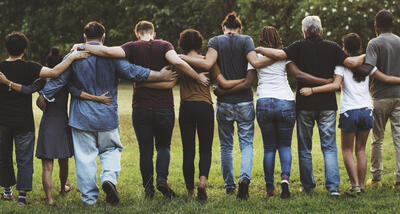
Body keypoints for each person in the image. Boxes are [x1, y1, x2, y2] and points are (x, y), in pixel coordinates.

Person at [40, 21, 176, 205]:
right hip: (107, 115)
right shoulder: (112, 57)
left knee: (85, 157)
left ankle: (89, 198)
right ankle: (109, 179)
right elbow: (133, 72)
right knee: (111, 150)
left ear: (84, 37)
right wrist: (160, 75)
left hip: (81, 117)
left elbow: (58, 79)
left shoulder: (74, 55)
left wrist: (44, 94)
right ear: (104, 37)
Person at [75, 20, 209, 199]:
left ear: (137, 34)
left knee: (145, 149)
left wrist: (82, 45)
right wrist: (198, 77)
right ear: (153, 33)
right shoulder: (164, 45)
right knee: (163, 147)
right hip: (164, 107)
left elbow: (105, 50)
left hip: (141, 107)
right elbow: (179, 63)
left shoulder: (130, 47)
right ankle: (161, 179)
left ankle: (149, 190)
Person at [255, 16, 364, 196]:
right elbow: (352, 63)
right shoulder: (333, 47)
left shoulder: (297, 46)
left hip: (304, 104)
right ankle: (333, 187)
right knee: (329, 147)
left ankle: (307, 186)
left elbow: (278, 55)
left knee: (305, 148)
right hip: (328, 104)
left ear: (304, 31)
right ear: (320, 30)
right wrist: (372, 52)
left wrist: (257, 48)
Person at [0, 47, 112, 206]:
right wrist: (98, 99)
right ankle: (61, 188)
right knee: (63, 161)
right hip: (62, 126)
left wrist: (7, 83)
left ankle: (49, 199)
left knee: (47, 167)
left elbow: (26, 90)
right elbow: (78, 93)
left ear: (47, 64)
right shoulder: (66, 82)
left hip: (47, 126)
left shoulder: (41, 82)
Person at [180, 12, 274, 200]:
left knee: (226, 146)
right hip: (245, 101)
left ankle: (230, 185)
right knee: (246, 144)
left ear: (224, 28)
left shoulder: (215, 41)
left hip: (224, 103)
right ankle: (244, 178)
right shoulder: (246, 40)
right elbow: (255, 63)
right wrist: (279, 56)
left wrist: (178, 57)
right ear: (239, 28)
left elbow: (209, 64)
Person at [300, 33, 400, 195]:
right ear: (360, 47)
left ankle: (354, 186)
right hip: (367, 110)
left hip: (349, 112)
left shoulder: (341, 66)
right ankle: (362, 185)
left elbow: (334, 86)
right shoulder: (369, 66)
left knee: (347, 150)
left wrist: (312, 90)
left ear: (344, 48)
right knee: (360, 149)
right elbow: (387, 79)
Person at [249, 26, 334, 199]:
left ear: (261, 39)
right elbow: (298, 74)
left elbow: (249, 76)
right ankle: (285, 180)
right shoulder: (285, 55)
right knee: (285, 145)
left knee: (269, 148)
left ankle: (270, 188)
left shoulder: (255, 56)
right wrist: (323, 81)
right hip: (285, 101)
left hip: (264, 100)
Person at [172, 29, 245, 200]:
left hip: (187, 108)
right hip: (205, 107)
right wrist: (245, 80)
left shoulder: (180, 62)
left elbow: (170, 78)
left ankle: (190, 191)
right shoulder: (208, 61)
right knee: (205, 149)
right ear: (200, 44)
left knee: (188, 150)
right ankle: (202, 183)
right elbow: (223, 83)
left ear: (182, 44)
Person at [359, 10, 400, 189]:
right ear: (392, 24)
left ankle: (376, 178)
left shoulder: (374, 43)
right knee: (399, 138)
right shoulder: (399, 41)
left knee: (378, 138)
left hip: (381, 96)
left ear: (376, 25)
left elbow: (369, 68)